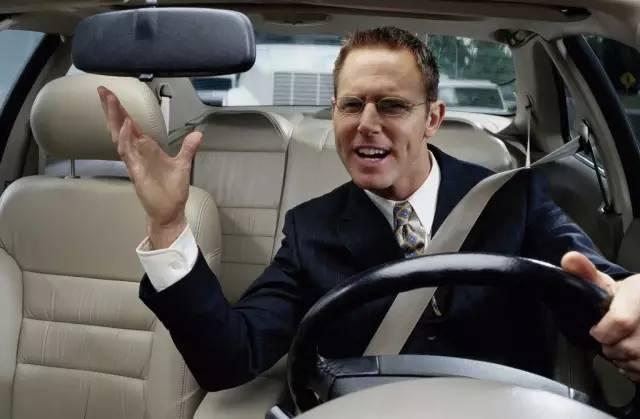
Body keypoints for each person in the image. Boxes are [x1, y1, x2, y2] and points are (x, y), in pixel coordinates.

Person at [97, 27, 640, 392]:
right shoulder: (310, 229)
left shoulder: (510, 198)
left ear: (432, 119)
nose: (367, 124)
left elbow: (594, 286)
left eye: (393, 105)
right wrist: (168, 224)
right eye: (352, 105)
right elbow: (229, 359)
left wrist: (626, 301)